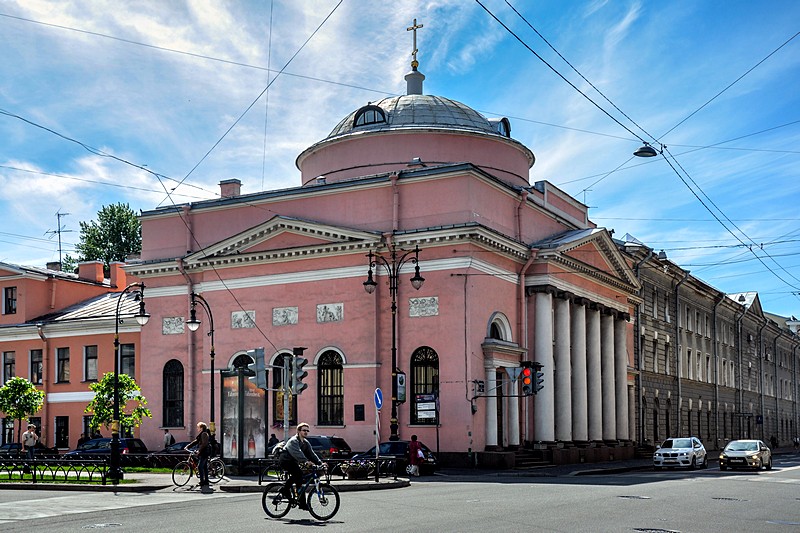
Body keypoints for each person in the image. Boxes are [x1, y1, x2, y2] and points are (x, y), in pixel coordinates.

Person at [278, 423, 324, 510]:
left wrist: (320, 463)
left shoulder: (305, 442)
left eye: (307, 430)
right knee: (298, 474)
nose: (306, 432)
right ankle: (284, 489)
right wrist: (306, 462)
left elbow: (311, 454)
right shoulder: (293, 441)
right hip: (285, 461)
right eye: (304, 430)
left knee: (300, 482)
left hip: (293, 462)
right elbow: (297, 453)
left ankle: (302, 504)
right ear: (298, 431)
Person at [186, 422, 210, 487]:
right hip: (203, 452)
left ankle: (202, 481)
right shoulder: (202, 434)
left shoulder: (204, 434)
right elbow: (196, 441)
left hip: (204, 453)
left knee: (200, 467)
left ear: (201, 428)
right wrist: (188, 446)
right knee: (204, 467)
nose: (197, 428)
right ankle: (206, 481)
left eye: (198, 427)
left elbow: (204, 444)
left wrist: (199, 450)